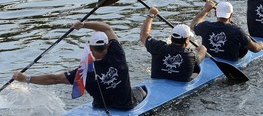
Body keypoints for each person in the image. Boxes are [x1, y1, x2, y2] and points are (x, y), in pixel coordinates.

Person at [12, 21, 146, 111]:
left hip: (101, 108)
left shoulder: (83, 73)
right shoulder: (118, 54)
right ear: (108, 46)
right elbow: (106, 28)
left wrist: (26, 78)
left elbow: (54, 79)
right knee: (142, 90)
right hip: (127, 105)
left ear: (90, 48)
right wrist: (83, 24)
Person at [140, 8, 206, 82]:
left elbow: (143, 35)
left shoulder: (158, 47)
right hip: (181, 87)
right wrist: (202, 47)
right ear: (187, 40)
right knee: (196, 73)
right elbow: (202, 53)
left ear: (171, 38)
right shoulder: (191, 55)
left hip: (157, 83)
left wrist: (150, 15)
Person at [190, 0, 263, 61]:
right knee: (244, 44)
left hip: (210, 57)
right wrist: (261, 45)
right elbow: (255, 49)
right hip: (231, 60)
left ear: (216, 14)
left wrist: (206, 10)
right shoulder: (236, 30)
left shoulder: (205, 26)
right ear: (231, 15)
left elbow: (193, 25)